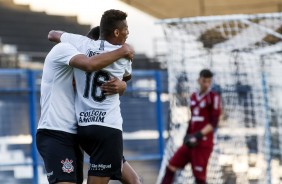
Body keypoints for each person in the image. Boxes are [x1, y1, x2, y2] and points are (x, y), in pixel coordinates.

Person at [48, 9, 136, 184]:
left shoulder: (82, 44)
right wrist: (123, 82)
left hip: (84, 128)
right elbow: (126, 77)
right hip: (107, 129)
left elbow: (52, 34)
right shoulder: (123, 54)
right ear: (116, 32)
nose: (128, 33)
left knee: (134, 180)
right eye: (126, 29)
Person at [161, 69, 221, 184]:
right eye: (204, 81)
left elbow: (213, 123)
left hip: (203, 143)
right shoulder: (193, 96)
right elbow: (192, 119)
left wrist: (197, 136)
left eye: (209, 82)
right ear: (199, 80)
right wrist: (187, 135)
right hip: (190, 141)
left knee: (199, 178)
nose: (206, 84)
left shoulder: (213, 97)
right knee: (171, 166)